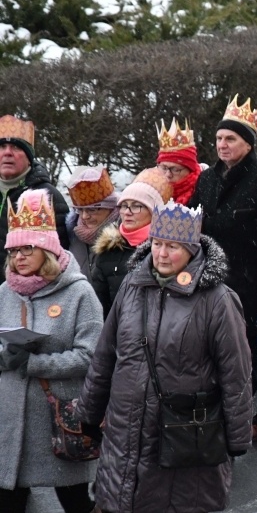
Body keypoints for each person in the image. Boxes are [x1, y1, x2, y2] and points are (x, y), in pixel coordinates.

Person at [77, 200, 252, 512]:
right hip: (125, 427)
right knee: (123, 499)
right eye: (157, 243)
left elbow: (235, 372)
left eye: (172, 246)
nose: (161, 253)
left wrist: (237, 437)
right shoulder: (132, 286)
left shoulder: (217, 300)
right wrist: (90, 412)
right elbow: (105, 354)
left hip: (181, 433)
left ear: (191, 250)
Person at [0, 189, 104, 513]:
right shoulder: (4, 292)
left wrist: (34, 363)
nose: (18, 257)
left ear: (46, 250)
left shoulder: (79, 293)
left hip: (59, 420)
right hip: (10, 423)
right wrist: (5, 356)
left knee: (76, 503)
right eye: (13, 250)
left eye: (27, 248)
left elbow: (90, 356)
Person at [188, 94, 257, 392]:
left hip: (248, 291)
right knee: (211, 359)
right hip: (208, 285)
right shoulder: (206, 180)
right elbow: (191, 230)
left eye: (230, 138)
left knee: (242, 362)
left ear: (248, 143)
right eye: (219, 138)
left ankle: (255, 411)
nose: (222, 144)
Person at [92, 168, 172, 317]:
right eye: (124, 205)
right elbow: (99, 306)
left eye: (136, 206)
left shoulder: (166, 250)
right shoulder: (108, 251)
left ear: (153, 212)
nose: (127, 212)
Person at [0, 115, 69, 284]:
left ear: (29, 157)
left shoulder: (48, 196)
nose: (7, 152)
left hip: (28, 291)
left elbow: (59, 255)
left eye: (16, 147)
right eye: (2, 147)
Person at [65, 166, 120, 282]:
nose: (84, 216)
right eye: (80, 210)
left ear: (110, 207)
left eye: (92, 209)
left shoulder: (124, 240)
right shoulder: (72, 236)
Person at [155, 118, 201, 204]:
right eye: (164, 168)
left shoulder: (205, 193)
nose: (168, 175)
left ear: (190, 170)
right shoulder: (150, 193)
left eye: (175, 169)